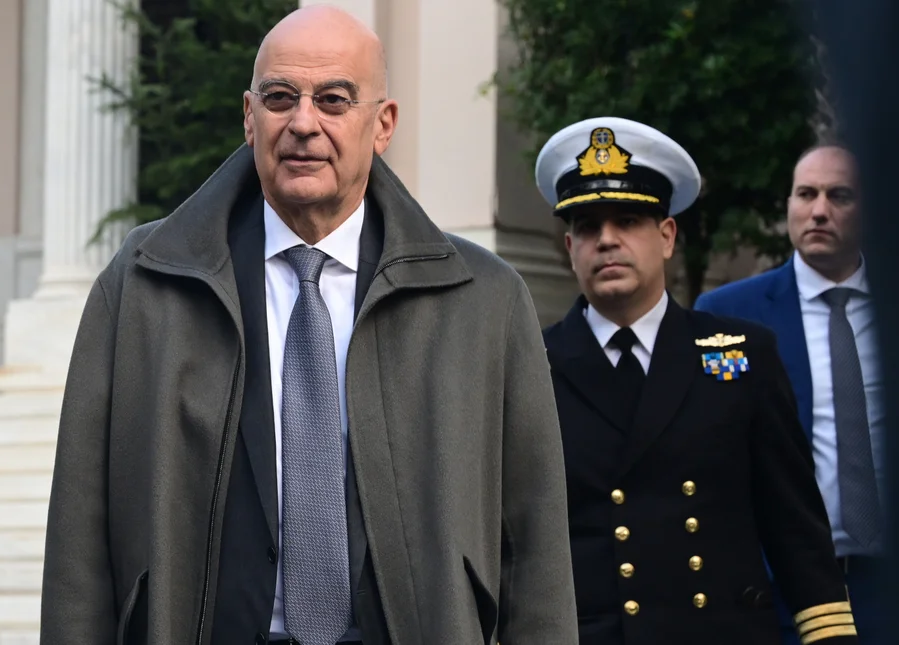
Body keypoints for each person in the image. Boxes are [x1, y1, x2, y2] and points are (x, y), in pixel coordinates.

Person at [37, 5, 578, 645]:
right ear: (249, 117)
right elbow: (80, 537)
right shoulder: (143, 285)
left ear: (383, 124)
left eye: (333, 100)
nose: (302, 123)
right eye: (279, 98)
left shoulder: (483, 301)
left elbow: (535, 547)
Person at [536, 117, 858, 645]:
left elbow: (794, 526)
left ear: (666, 237)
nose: (607, 240)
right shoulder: (532, 366)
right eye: (589, 228)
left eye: (627, 221)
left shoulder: (742, 356)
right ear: (571, 247)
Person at [695, 144, 886, 644]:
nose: (819, 210)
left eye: (839, 196)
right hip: (778, 590)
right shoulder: (727, 317)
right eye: (806, 194)